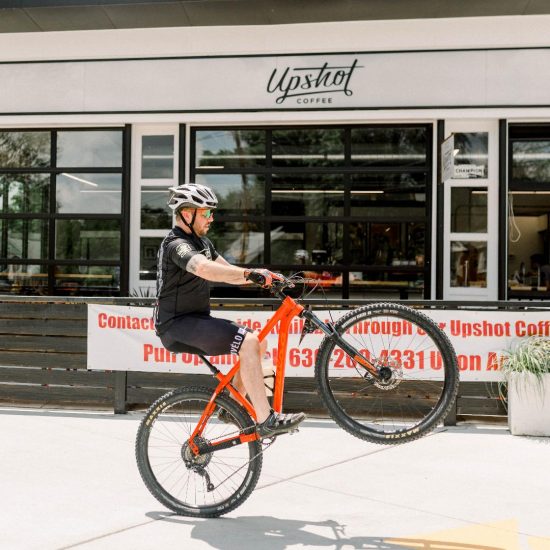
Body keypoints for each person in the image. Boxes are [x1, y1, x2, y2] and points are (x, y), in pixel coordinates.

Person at [154, 182, 306, 438]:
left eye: (212, 212)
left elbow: (230, 274)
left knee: (259, 344)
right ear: (186, 213)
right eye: (206, 212)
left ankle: (231, 408)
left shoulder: (202, 242)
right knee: (247, 343)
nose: (211, 218)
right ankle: (266, 419)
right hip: (176, 325)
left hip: (195, 320)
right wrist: (249, 273)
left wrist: (267, 277)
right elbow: (202, 268)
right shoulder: (177, 245)